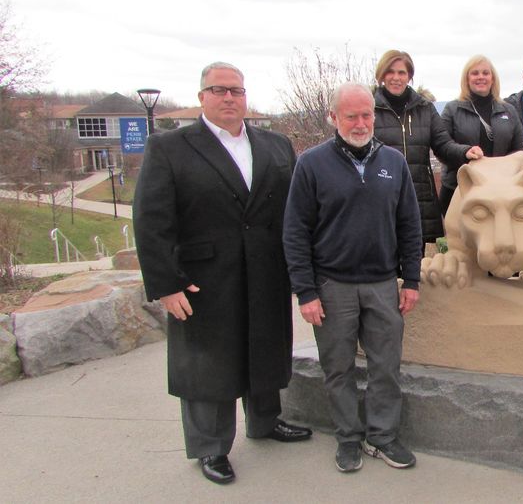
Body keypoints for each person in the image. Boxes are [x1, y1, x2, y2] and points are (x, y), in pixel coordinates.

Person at [133, 62, 312, 486]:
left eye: (236, 90)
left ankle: (266, 421)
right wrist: (166, 283)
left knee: (265, 347)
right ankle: (210, 445)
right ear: (202, 97)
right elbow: (151, 220)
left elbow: (292, 212)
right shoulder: (171, 147)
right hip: (203, 278)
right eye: (219, 90)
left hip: (266, 271)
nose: (229, 97)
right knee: (207, 361)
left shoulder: (275, 145)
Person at [283, 83, 422, 474]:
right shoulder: (311, 164)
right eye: (351, 116)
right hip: (331, 286)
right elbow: (295, 232)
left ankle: (382, 436)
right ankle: (348, 438)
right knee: (338, 368)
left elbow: (410, 225)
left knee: (385, 366)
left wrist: (411, 280)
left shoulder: (393, 162)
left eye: (366, 115)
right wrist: (305, 292)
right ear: (334, 118)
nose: (361, 123)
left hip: (382, 284)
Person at [373, 50, 483, 247]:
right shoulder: (369, 109)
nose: (396, 78)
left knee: (419, 265)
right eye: (390, 72)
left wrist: (464, 151)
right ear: (381, 74)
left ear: (409, 76)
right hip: (381, 197)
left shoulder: (424, 108)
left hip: (420, 198)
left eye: (402, 73)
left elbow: (443, 144)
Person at [439, 54, 523, 214]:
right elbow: (442, 147)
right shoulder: (452, 110)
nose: (481, 77)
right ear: (467, 79)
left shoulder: (509, 110)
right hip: (459, 190)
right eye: (475, 73)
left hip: (499, 193)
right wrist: (465, 152)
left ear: (493, 79)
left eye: (485, 73)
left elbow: (520, 150)